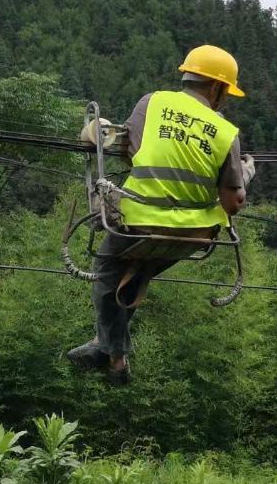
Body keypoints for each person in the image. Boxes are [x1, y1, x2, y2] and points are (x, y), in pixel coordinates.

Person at [67, 45, 256, 385]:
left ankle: (111, 352)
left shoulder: (150, 103)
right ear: (216, 88)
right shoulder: (226, 132)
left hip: (138, 223)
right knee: (138, 272)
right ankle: (113, 355)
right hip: (194, 234)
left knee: (109, 267)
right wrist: (245, 174)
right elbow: (233, 202)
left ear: (189, 77)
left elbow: (132, 151)